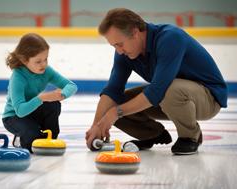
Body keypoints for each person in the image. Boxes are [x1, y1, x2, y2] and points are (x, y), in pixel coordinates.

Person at [85, 8, 227, 155]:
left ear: (135, 32)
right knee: (116, 105)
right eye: (114, 46)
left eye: (120, 44)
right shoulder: (124, 53)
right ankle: (152, 134)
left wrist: (115, 113)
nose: (119, 51)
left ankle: (191, 136)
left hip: (208, 99)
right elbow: (113, 90)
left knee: (170, 90)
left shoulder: (170, 38)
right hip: (169, 97)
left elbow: (157, 91)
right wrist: (97, 125)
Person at [2, 33, 77, 153]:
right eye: (38, 61)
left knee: (53, 104)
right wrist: (42, 98)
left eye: (46, 59)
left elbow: (71, 85)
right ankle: (21, 140)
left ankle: (49, 139)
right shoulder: (18, 77)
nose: (44, 64)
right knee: (32, 136)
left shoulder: (46, 71)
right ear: (24, 60)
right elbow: (20, 111)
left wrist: (62, 95)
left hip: (32, 112)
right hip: (13, 117)